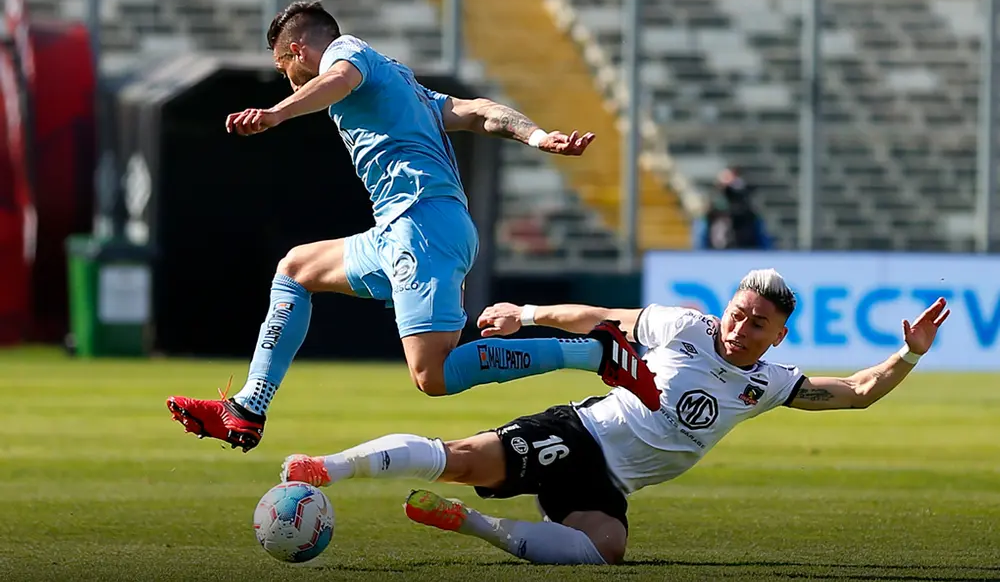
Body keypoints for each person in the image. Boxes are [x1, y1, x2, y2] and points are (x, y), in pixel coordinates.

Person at [165, 0, 658, 452]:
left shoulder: (346, 53)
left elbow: (338, 78)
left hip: (420, 225)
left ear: (297, 50)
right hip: (403, 228)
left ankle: (594, 353)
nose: (288, 81)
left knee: (433, 376)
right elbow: (479, 111)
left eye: (283, 68)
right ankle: (249, 407)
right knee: (296, 269)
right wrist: (537, 135)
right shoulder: (403, 84)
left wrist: (277, 114)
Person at [279, 268, 950, 565]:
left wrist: (910, 353)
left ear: (779, 335)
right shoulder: (681, 327)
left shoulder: (770, 383)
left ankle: (471, 524)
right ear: (726, 309)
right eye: (739, 313)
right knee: (459, 459)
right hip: (581, 434)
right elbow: (599, 318)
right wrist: (526, 314)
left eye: (758, 324)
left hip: (610, 483)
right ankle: (327, 468)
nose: (741, 328)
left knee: (607, 549)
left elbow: (858, 390)